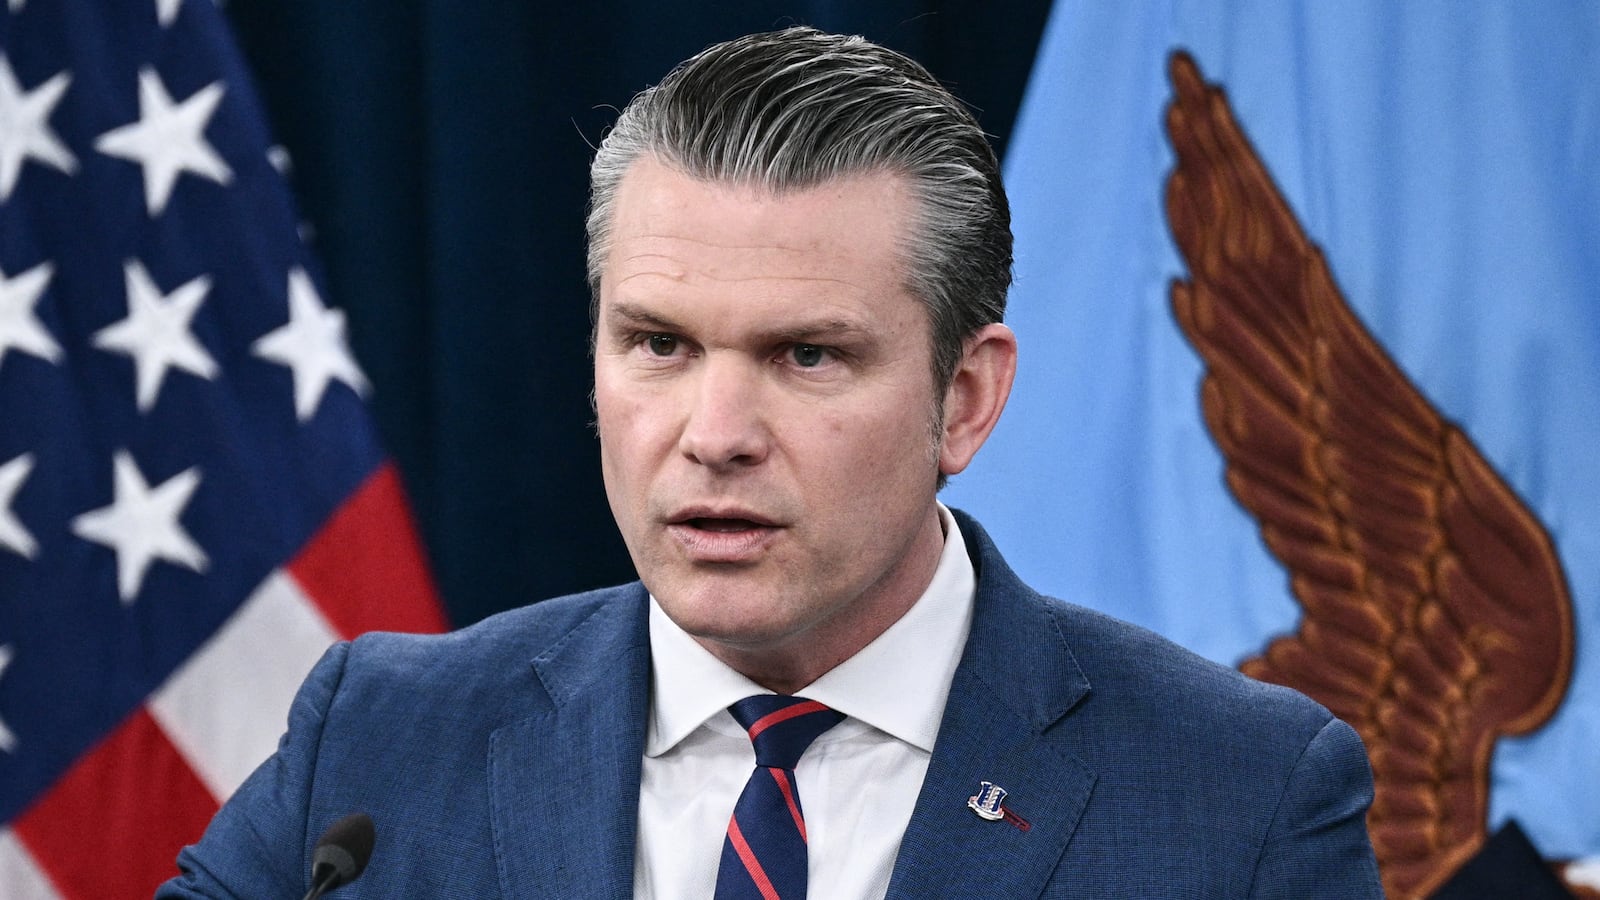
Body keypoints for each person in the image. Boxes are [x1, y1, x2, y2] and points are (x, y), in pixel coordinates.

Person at [159, 27, 1382, 899]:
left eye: (805, 355)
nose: (714, 430)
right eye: (658, 344)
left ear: (964, 399)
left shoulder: (1240, 800)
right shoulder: (379, 742)